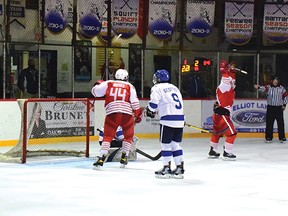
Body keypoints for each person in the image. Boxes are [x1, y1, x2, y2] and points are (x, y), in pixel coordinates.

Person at [91, 69, 142, 168]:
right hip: (126, 114)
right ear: (126, 77)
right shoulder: (130, 86)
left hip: (112, 113)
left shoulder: (109, 83)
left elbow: (95, 93)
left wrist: (97, 85)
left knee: (107, 137)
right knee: (128, 137)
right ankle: (124, 157)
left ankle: (101, 158)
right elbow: (135, 104)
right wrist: (137, 115)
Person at [146, 69, 185, 179]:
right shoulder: (175, 87)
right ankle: (179, 168)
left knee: (165, 145)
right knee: (175, 145)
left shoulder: (157, 88)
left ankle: (166, 168)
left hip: (168, 119)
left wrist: (150, 110)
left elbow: (153, 104)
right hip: (180, 119)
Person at [208, 60, 237, 160]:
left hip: (218, 115)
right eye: (232, 81)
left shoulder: (229, 87)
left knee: (217, 133)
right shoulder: (225, 86)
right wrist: (224, 68)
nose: (234, 83)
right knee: (232, 134)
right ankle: (227, 152)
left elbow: (230, 78)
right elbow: (225, 77)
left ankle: (213, 150)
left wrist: (231, 71)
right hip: (223, 115)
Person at [254, 76, 288, 143]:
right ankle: (268, 137)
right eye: (274, 80)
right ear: (272, 81)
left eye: (277, 80)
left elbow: (286, 96)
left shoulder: (281, 88)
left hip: (278, 108)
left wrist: (284, 105)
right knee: (269, 123)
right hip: (270, 108)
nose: (276, 81)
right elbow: (263, 88)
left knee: (280, 123)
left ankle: (282, 137)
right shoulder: (268, 87)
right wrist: (258, 87)